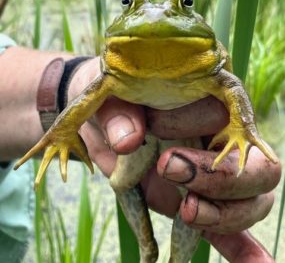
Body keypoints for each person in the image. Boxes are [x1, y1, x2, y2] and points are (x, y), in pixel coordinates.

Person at [0, 34, 281, 262]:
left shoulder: (206, 66)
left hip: (186, 142)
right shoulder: (112, 73)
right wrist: (62, 131)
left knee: (196, 199)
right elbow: (87, 96)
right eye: (129, 3)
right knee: (123, 181)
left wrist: (242, 131)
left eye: (183, 3)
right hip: (142, 147)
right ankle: (147, 249)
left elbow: (231, 86)